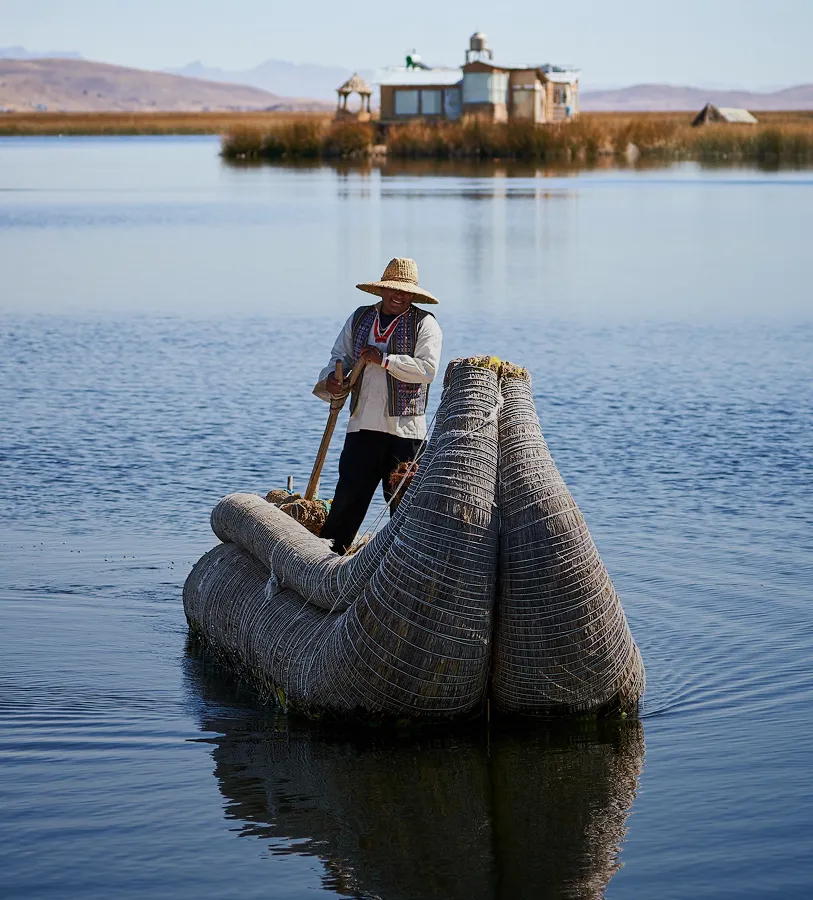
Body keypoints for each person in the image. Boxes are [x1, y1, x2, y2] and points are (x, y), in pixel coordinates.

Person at [313, 257, 443, 554]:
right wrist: (332, 381)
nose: (399, 296)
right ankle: (328, 559)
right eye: (394, 289)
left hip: (405, 429)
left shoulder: (425, 324)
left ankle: (408, 560)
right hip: (362, 423)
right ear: (382, 290)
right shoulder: (360, 318)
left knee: (403, 500)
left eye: (406, 292)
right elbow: (340, 357)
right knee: (349, 496)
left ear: (413, 295)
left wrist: (384, 360)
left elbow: (427, 370)